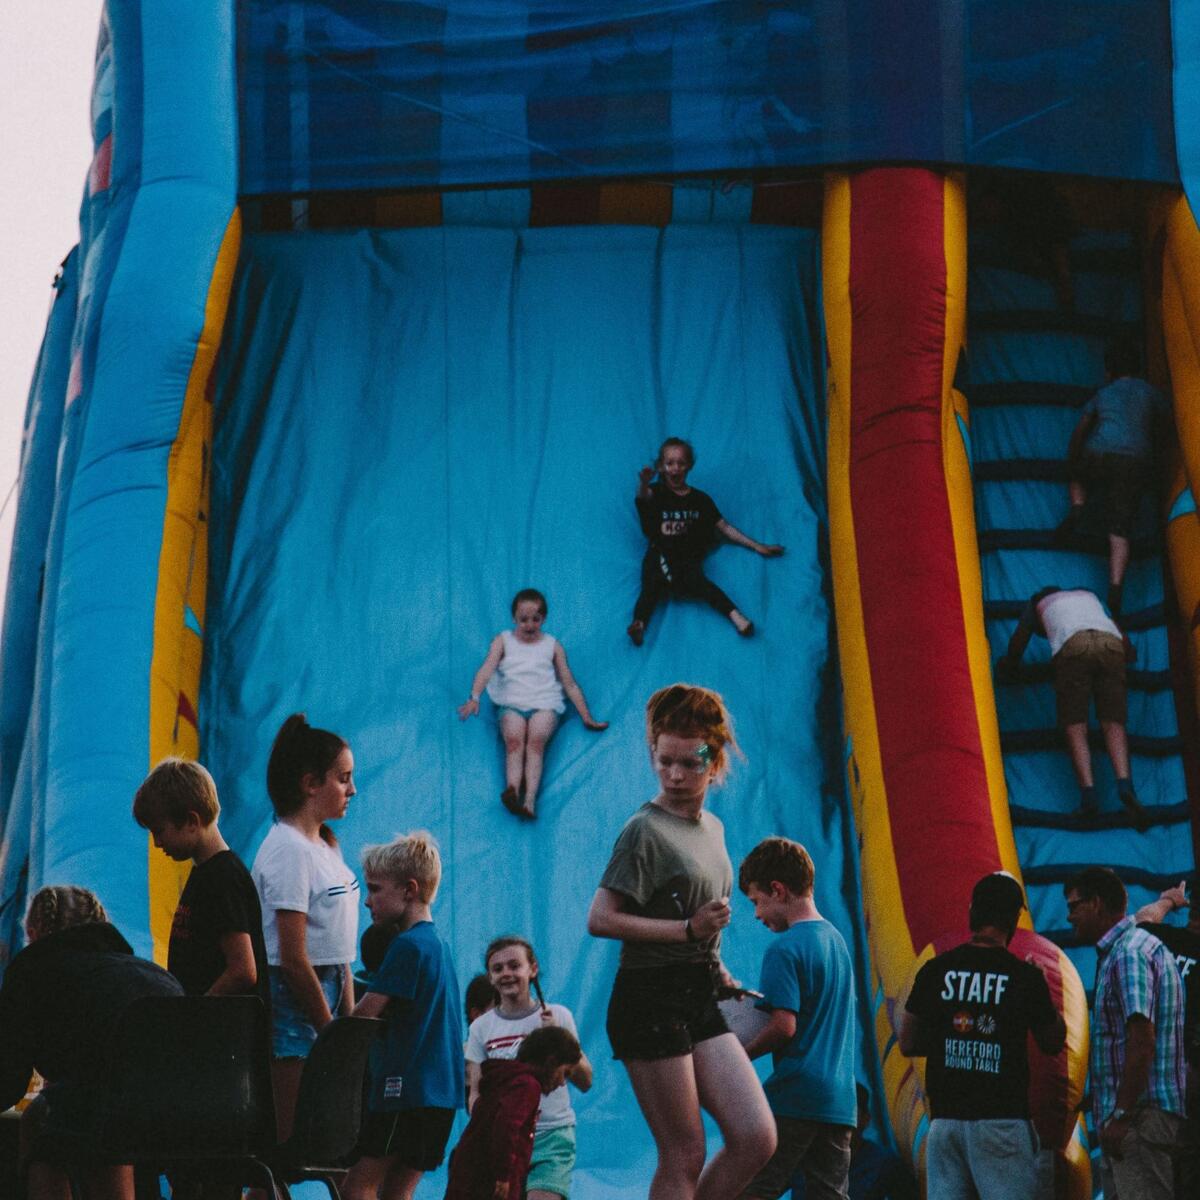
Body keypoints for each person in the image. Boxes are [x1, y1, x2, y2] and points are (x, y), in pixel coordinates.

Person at [587, 683, 776, 1200]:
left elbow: (699, 921)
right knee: (684, 1151)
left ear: (713, 761)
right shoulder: (643, 831)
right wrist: (685, 931)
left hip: (698, 991)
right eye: (663, 761)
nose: (673, 775)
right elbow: (600, 918)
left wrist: (716, 969)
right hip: (648, 996)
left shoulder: (712, 828)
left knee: (756, 1136)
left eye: (689, 764)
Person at [0, 886, 183, 1200]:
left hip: (104, 1112)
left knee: (44, 1127)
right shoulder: (151, 973)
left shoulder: (34, 969)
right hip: (185, 1115)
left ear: (33, 932)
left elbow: (9, 1077)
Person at [898, 872, 1065, 1200]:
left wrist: (952, 1040)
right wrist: (1043, 991)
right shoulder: (1024, 977)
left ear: (972, 910)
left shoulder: (936, 969)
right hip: (1001, 1122)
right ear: (1013, 919)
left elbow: (908, 1042)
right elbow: (1053, 1041)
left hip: (945, 1121)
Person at [251, 713, 359, 1140]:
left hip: (331, 987)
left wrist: (346, 1012)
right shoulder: (288, 850)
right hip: (295, 1000)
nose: (352, 790)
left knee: (324, 1136)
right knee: (289, 1140)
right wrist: (329, 1028)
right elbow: (294, 958)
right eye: (343, 779)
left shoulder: (325, 844)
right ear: (311, 783)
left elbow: (339, 947)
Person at [734, 837, 857, 1200]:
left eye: (757, 902)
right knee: (827, 1194)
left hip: (796, 1094)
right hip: (839, 1101)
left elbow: (783, 1026)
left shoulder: (784, 948)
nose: (756, 914)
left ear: (778, 889)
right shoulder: (836, 941)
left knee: (753, 1187)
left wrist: (738, 1057)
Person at [343, 833, 461, 1200]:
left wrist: (342, 971)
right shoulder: (437, 945)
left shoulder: (407, 946)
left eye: (376, 889)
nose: (367, 900)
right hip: (440, 1098)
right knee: (396, 1193)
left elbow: (362, 1019)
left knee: (355, 1187)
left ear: (409, 890)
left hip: (405, 1093)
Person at [1064, 867, 1185, 1200]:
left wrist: (1121, 1114)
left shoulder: (1129, 954)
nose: (1069, 916)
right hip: (1132, 1120)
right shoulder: (1128, 947)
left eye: (1075, 906)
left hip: (1139, 1121)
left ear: (1098, 904)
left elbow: (1142, 1039)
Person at [996, 585, 1144, 823]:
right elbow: (1123, 639)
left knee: (1075, 725)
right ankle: (1125, 786)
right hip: (1110, 643)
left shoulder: (1037, 603)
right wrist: (1130, 654)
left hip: (1073, 644)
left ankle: (1088, 796)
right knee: (1113, 723)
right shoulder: (1090, 596)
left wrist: (1007, 667)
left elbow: (1018, 644)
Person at [132, 758, 270, 1010]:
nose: (157, 843)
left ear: (192, 821)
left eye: (159, 831)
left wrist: (196, 1012)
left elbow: (243, 970)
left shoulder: (224, 877)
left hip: (224, 1032)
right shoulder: (204, 873)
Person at [458, 588, 607, 819]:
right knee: (515, 742)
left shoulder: (552, 645)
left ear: (544, 619)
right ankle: (513, 791)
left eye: (535, 619)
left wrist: (586, 716)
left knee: (536, 742)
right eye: (523, 619)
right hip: (512, 703)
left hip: (544, 704)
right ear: (514, 618)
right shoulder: (503, 641)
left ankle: (529, 801)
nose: (529, 625)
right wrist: (474, 697)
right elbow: (486, 669)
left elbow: (569, 684)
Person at [466, 937, 593, 1200]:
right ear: (490, 977)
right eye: (498, 969)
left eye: (515, 965)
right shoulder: (481, 1028)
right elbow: (476, 1091)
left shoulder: (558, 1016)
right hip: (506, 1138)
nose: (506, 974)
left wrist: (559, 1041)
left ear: (532, 969)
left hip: (552, 1135)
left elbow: (586, 1080)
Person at [627, 438, 784, 646]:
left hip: (685, 559)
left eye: (681, 463)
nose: (675, 468)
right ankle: (639, 624)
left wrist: (758, 546)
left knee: (703, 586)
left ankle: (737, 617)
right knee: (650, 590)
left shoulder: (700, 500)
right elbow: (644, 496)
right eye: (670, 463)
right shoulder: (657, 492)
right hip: (659, 554)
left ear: (689, 466)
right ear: (661, 467)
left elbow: (724, 527)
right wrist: (645, 482)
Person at [1056, 338, 1169, 615]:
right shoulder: (1149, 392)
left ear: (1109, 371)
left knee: (1078, 475)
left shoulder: (1104, 393)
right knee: (1120, 529)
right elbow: (1165, 422)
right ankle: (1116, 586)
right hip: (1134, 461)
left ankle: (1079, 507)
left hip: (1100, 452)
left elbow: (1082, 428)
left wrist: (1073, 458)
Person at [445, 1026, 582, 1200]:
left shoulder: (506, 1080)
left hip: (469, 1174)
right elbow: (506, 1126)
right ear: (551, 1062)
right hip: (487, 1181)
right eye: (565, 1073)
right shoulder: (527, 1086)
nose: (563, 1083)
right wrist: (503, 1177)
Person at [1135, 881, 1200, 1198]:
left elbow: (1140, 922)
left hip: (1151, 1076)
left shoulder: (1161, 942)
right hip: (1190, 1076)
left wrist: (1169, 901)